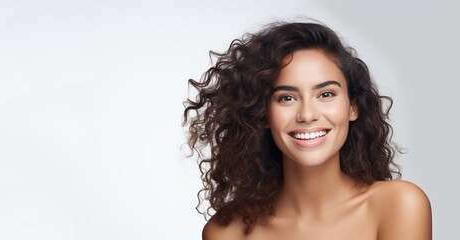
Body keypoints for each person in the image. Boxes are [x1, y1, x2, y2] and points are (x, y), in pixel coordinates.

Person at [183, 20, 431, 240]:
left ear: (352, 107)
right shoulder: (227, 232)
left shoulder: (399, 206)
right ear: (263, 113)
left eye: (326, 94)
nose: (308, 115)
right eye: (286, 98)